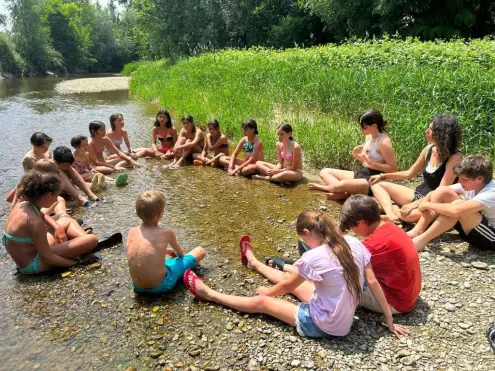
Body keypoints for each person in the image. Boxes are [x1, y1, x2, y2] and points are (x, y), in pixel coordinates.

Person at [183, 211, 408, 338]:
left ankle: (209, 293)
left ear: (308, 233)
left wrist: (268, 293)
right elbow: (372, 282)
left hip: (324, 324)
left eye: (303, 238)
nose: (304, 243)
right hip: (341, 313)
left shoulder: (314, 257)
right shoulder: (354, 243)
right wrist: (389, 320)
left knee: (263, 301)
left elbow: (287, 287)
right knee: (294, 280)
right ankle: (254, 263)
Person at [2, 171, 99, 274]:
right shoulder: (35, 222)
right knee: (93, 239)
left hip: (29, 253)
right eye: (56, 195)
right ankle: (84, 246)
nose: (56, 200)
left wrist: (57, 227)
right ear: (49, 195)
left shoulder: (23, 205)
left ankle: (81, 243)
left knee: (66, 220)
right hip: (34, 263)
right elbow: (48, 258)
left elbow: (42, 215)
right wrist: (74, 263)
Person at [369, 115, 462, 222]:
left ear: (442, 134)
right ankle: (391, 214)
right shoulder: (429, 149)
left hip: (436, 201)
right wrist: (383, 176)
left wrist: (414, 205)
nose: (426, 131)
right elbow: (409, 173)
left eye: (431, 129)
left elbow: (440, 191)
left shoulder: (455, 158)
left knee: (408, 216)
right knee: (376, 184)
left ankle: (391, 207)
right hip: (420, 194)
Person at [339, 195, 422, 314]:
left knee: (339, 280)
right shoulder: (389, 226)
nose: (352, 230)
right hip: (409, 294)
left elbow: (345, 267)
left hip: (396, 303)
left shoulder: (373, 244)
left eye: (351, 227)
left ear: (361, 222)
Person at [408, 155, 495, 252]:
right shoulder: (473, 184)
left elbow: (456, 210)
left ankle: (421, 241)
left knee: (457, 206)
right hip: (472, 228)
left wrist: (427, 205)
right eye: (459, 178)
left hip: (491, 237)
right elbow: (439, 191)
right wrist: (423, 201)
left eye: (464, 179)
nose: (460, 181)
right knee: (443, 192)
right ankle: (417, 231)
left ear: (479, 179)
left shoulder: (492, 192)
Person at [126, 190, 206, 294]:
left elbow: (141, 252)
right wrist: (174, 253)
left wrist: (163, 251)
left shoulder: (131, 232)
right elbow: (180, 254)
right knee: (200, 251)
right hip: (162, 285)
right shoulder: (166, 233)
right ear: (159, 214)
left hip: (137, 287)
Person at [308, 109, 397, 200]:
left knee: (344, 183)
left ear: (374, 126)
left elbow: (393, 169)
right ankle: (342, 192)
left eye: (364, 127)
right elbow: (366, 161)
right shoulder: (369, 136)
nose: (361, 129)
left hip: (373, 180)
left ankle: (327, 188)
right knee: (325, 171)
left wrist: (370, 162)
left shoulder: (384, 143)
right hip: (362, 173)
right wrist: (355, 154)